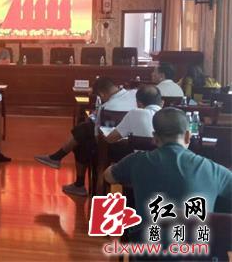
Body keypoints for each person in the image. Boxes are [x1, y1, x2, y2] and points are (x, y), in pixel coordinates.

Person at [104, 108, 232, 239]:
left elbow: (108, 176)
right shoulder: (213, 169)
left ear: (154, 138)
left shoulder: (136, 161)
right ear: (188, 136)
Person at [34, 77, 137, 197]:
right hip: (137, 145)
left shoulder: (107, 107)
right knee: (84, 132)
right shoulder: (135, 94)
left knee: (83, 139)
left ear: (102, 94)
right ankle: (58, 159)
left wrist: (93, 118)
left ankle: (76, 181)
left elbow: (97, 135)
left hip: (112, 150)